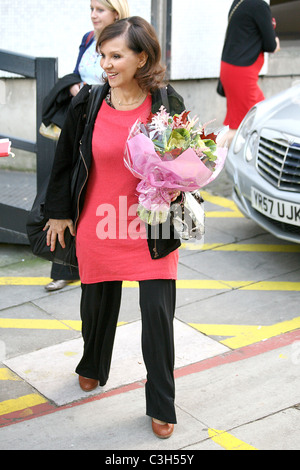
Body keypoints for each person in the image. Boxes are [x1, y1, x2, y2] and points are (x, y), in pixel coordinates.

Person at [43, 16, 186, 439]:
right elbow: (65, 159)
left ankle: (162, 402)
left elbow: (186, 156)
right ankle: (93, 363)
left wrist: (180, 183)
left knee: (157, 318)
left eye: (116, 55)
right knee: (96, 309)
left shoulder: (164, 100)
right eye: (103, 55)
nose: (106, 64)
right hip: (98, 222)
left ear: (141, 57)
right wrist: (59, 210)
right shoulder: (87, 102)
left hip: (153, 227)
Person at [44, 0, 130, 292]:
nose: (93, 14)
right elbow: (77, 73)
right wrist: (74, 88)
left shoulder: (129, 41)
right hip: (81, 118)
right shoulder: (87, 39)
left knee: (92, 192)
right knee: (69, 186)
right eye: (91, 8)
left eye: (100, 9)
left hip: (108, 127)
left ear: (116, 13)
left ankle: (95, 261)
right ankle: (65, 266)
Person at [219, 0, 280, 146]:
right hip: (242, 73)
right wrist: (277, 41)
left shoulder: (239, 2)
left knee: (247, 121)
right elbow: (271, 45)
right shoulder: (259, 5)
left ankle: (206, 159)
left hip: (231, 69)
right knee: (247, 124)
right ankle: (203, 161)